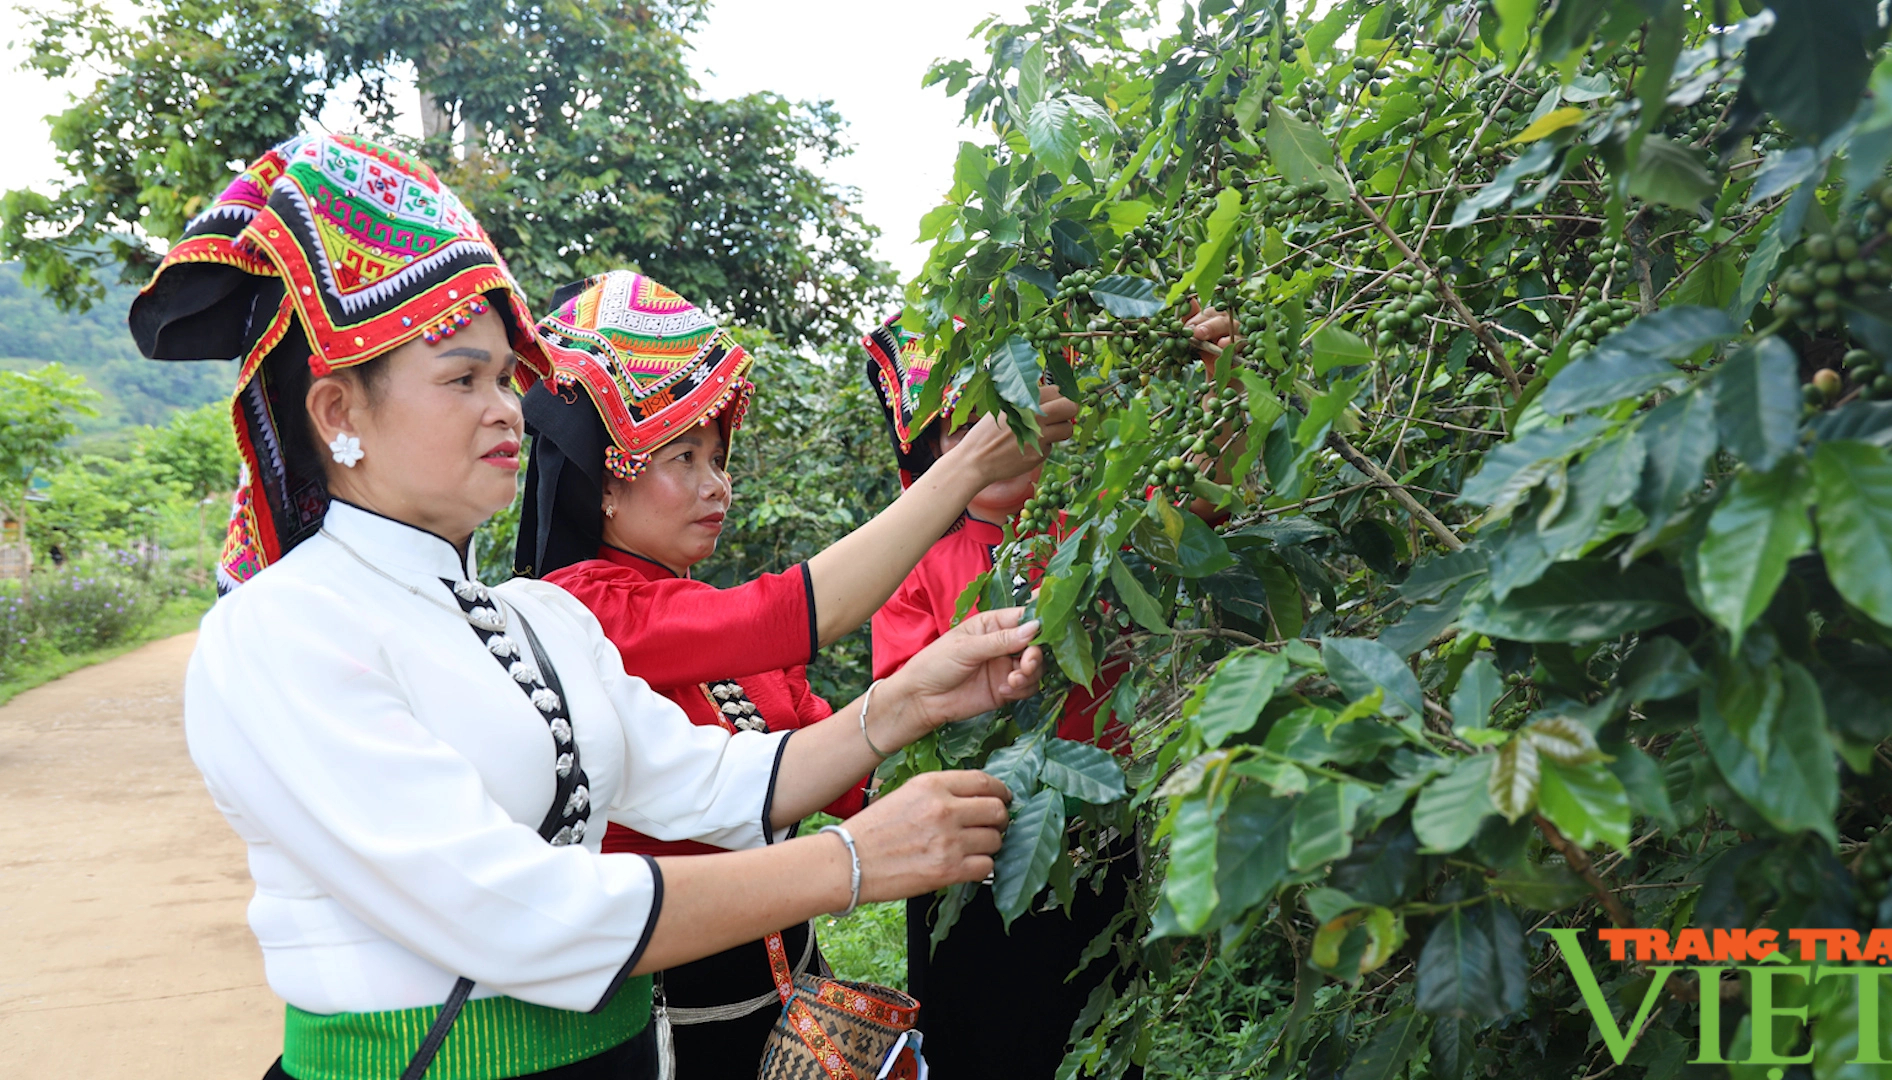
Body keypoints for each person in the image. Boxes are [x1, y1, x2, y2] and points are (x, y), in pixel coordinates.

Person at [131, 133, 1040, 1080]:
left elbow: (720, 783)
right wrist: (850, 863)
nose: (507, 411)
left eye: (502, 379)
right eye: (462, 379)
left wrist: (914, 698)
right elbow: (508, 911)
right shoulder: (282, 631)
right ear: (338, 414)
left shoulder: (534, 622)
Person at [511, 269, 1078, 1077]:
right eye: (685, 456)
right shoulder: (583, 609)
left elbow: (843, 766)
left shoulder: (707, 630)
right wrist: (964, 468)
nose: (718, 484)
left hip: (785, 1015)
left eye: (719, 456)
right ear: (606, 479)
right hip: (674, 1026)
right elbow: (792, 614)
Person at [862, 305, 1237, 1079]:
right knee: (978, 1040)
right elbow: (903, 711)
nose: (996, 444)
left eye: (1010, 417)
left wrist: (1217, 378)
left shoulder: (1091, 526)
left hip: (1091, 836)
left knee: (1090, 1029)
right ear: (935, 454)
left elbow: (1204, 504)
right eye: (966, 431)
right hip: (966, 849)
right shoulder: (913, 565)